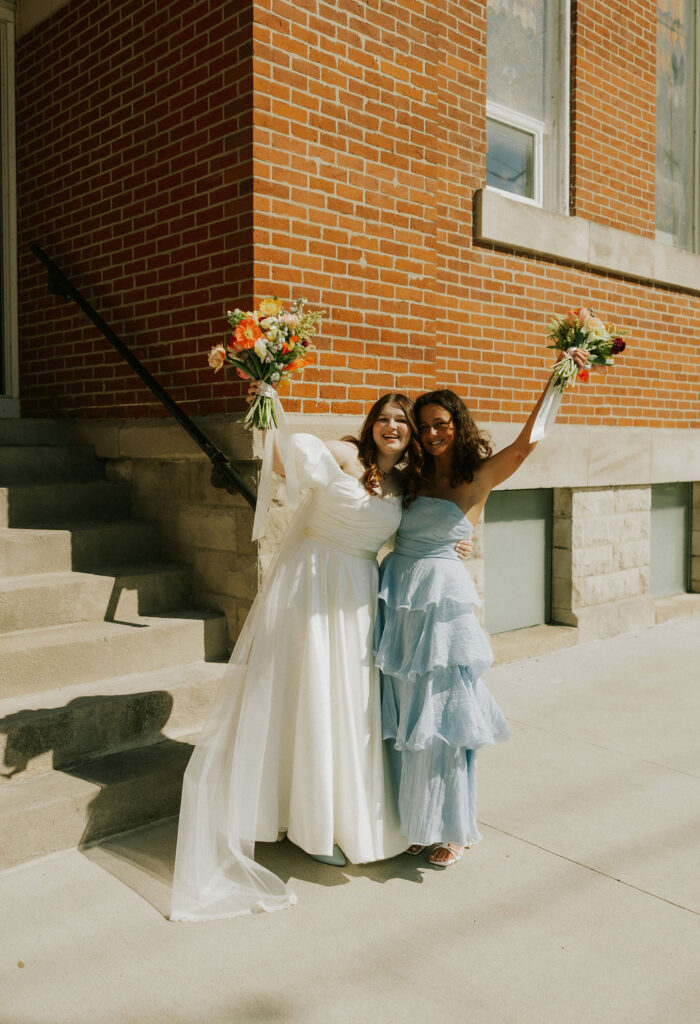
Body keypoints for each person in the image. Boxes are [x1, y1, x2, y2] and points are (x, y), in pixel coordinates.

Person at [171, 392, 426, 920]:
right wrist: (270, 398)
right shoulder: (341, 454)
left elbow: (432, 526)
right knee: (306, 693)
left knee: (347, 703)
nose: (392, 427)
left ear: (411, 433)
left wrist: (459, 541)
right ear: (370, 424)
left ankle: (334, 814)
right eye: (384, 418)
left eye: (402, 421)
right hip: (312, 585)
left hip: (358, 596)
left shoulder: (407, 485)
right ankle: (304, 823)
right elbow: (284, 456)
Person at [376, 354, 587, 867]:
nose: (430, 433)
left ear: (458, 424)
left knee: (443, 713)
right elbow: (368, 472)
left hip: (442, 605)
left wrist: (557, 380)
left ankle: (452, 829)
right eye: (423, 427)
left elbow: (527, 443)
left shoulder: (478, 476)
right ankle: (414, 823)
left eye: (440, 424)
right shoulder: (411, 476)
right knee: (405, 711)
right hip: (399, 595)